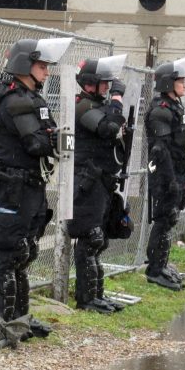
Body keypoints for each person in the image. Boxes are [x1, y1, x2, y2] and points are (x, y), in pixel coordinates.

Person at [0, 38, 70, 325]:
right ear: (25, 65)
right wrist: (54, 140)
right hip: (13, 185)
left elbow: (53, 136)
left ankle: (19, 318)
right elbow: (37, 142)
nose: (47, 72)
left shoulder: (33, 98)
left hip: (33, 183)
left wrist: (54, 139)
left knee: (26, 251)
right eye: (42, 65)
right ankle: (1, 321)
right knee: (10, 253)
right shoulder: (14, 99)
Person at [67, 55, 128, 314]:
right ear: (90, 83)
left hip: (102, 179)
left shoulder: (96, 104)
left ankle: (96, 294)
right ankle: (86, 298)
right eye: (104, 83)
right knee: (90, 238)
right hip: (86, 180)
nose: (108, 87)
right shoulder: (82, 106)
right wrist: (116, 102)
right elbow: (106, 128)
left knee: (100, 239)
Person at [144, 54, 185, 291]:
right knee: (163, 219)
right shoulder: (161, 109)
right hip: (166, 174)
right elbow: (160, 149)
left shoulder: (175, 106)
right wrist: (169, 180)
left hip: (177, 170)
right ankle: (154, 270)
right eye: (180, 81)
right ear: (168, 83)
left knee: (170, 220)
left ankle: (162, 264)